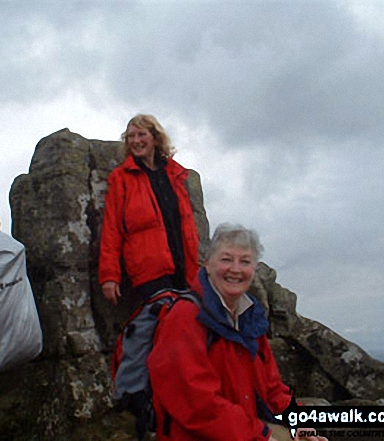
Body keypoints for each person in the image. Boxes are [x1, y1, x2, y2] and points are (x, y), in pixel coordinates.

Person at [147, 223, 327, 441]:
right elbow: (198, 404)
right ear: (208, 265)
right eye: (226, 259)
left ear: (254, 269)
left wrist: (300, 423)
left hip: (240, 430)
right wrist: (260, 436)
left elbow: (272, 389)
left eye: (245, 261)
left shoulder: (249, 317)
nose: (235, 269)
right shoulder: (184, 318)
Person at [99, 115, 199, 412]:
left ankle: (177, 398)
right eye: (130, 136)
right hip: (148, 269)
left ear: (155, 138)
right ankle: (147, 400)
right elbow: (112, 228)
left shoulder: (174, 174)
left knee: (183, 332)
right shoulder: (122, 178)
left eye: (141, 134)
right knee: (159, 333)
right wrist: (109, 275)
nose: (135, 141)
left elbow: (186, 225)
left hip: (183, 268)